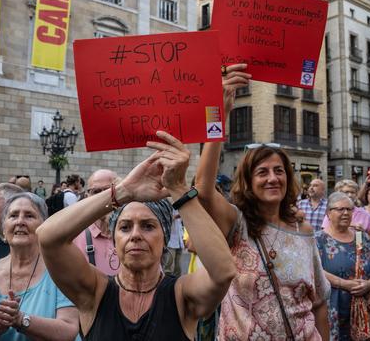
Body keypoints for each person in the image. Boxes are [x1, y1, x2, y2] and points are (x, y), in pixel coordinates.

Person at [37, 130, 236, 340]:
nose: (135, 235)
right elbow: (47, 237)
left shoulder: (181, 295)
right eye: (124, 227)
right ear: (114, 241)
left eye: (148, 226)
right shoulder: (94, 292)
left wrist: (178, 189)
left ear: (165, 238)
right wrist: (123, 191)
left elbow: (223, 271)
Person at [196, 64, 330, 340]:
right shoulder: (237, 224)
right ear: (248, 181)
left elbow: (318, 304)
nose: (272, 178)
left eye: (279, 171)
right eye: (262, 172)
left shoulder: (303, 231)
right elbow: (203, 189)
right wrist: (220, 114)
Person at [0, 192, 79, 340]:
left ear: (43, 225)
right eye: (13, 215)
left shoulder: (59, 272)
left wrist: (21, 320)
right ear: (4, 226)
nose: (20, 221)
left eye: (29, 216)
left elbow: (69, 331)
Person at [315, 192, 370, 341]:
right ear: (328, 213)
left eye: (349, 209)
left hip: (363, 310)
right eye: (340, 209)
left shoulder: (360, 237)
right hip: (332, 310)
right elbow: (314, 271)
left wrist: (369, 283)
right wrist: (345, 284)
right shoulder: (318, 240)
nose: (345, 213)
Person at [72, 169, 119, 276]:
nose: (103, 197)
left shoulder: (133, 233)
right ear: (87, 196)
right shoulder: (75, 237)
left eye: (108, 191)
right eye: (96, 192)